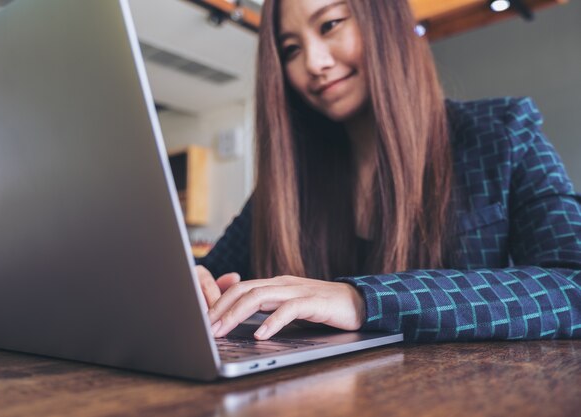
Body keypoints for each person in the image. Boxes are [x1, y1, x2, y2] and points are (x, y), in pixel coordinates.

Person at [196, 0, 581, 342]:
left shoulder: (503, 133)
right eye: (291, 49)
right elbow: (209, 278)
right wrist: (193, 286)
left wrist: (361, 299)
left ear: (385, 19)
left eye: (330, 24)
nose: (313, 63)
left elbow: (572, 285)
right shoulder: (284, 187)